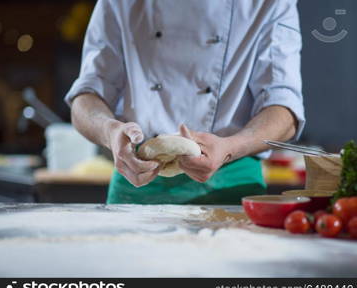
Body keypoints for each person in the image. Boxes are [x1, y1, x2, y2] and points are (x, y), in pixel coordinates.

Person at [65, 0, 305, 204]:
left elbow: (284, 109)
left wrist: (230, 148)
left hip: (231, 185)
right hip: (135, 181)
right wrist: (110, 132)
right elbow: (86, 97)